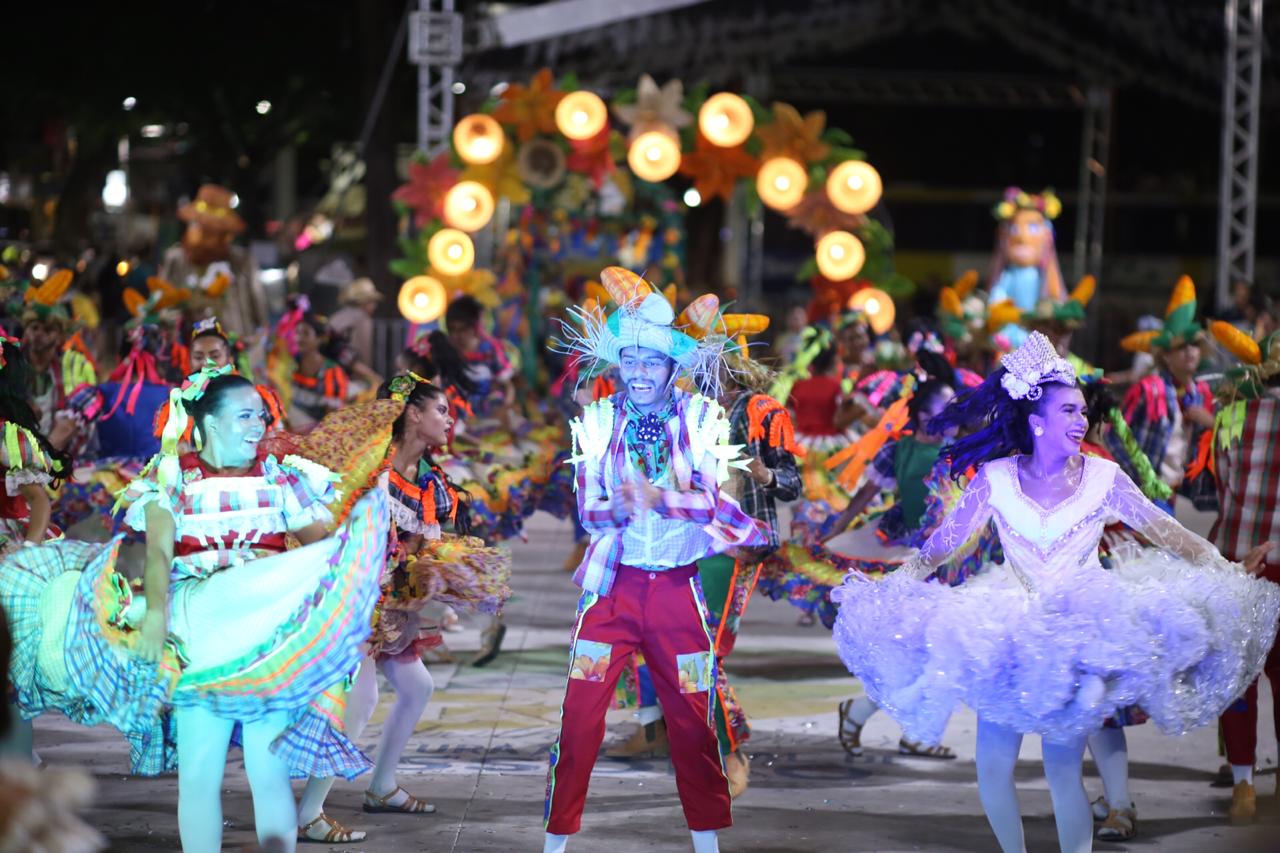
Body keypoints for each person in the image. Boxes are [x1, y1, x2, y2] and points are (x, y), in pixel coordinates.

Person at [831, 331, 1279, 853]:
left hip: (1077, 633)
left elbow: (1167, 531)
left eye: (1082, 411)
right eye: (1068, 411)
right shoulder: (995, 479)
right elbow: (937, 550)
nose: (1081, 421)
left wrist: (1224, 564)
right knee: (993, 771)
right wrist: (891, 588)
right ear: (1037, 421)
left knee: (1064, 771)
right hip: (1006, 634)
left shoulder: (1104, 477)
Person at [0, 367, 390, 853]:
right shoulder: (172, 478)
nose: (259, 425)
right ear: (205, 424)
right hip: (197, 638)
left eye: (261, 415)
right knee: (199, 774)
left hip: (264, 640)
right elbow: (160, 553)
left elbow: (323, 549)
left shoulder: (282, 478)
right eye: (245, 415)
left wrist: (352, 570)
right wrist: (157, 615)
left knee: (268, 773)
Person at [544, 268, 767, 853]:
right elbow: (589, 517)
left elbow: (719, 507)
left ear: (673, 368)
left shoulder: (702, 421)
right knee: (579, 720)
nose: (639, 372)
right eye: (630, 360)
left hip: (677, 597)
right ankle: (556, 842)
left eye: (652, 361)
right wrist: (615, 509)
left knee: (694, 723)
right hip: (610, 595)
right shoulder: (595, 422)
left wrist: (659, 498)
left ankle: (707, 846)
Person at [296, 374, 510, 843]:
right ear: (413, 414)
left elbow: (422, 552)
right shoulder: (368, 469)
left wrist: (439, 588)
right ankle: (308, 812)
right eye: (441, 411)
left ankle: (381, 785)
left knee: (416, 686)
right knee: (362, 699)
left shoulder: (430, 485)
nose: (449, 421)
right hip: (352, 600)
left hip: (390, 607)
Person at [1205, 320, 1280, 823]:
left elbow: (1221, 480)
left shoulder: (1232, 411)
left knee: (1239, 680)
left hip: (1239, 559)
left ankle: (1243, 787)